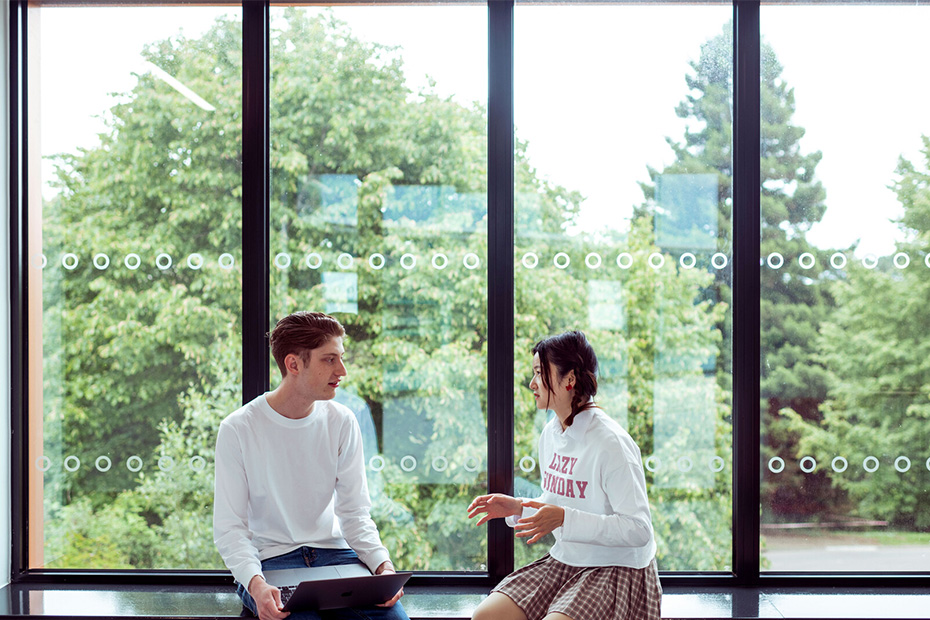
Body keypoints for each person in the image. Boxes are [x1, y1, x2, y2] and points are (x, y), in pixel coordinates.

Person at [213, 311, 409, 620]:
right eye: (329, 360)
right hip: (271, 564)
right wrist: (256, 585)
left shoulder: (342, 421)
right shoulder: (239, 428)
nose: (342, 370)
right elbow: (230, 529)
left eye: (341, 358)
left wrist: (383, 567)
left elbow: (355, 513)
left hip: (339, 559)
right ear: (293, 364)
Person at [467, 330, 661, 620]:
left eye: (539, 373)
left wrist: (564, 519)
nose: (532, 383)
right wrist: (520, 507)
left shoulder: (611, 443)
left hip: (615, 569)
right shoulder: (551, 433)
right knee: (486, 617)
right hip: (567, 559)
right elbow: (560, 500)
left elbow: (639, 530)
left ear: (569, 380)